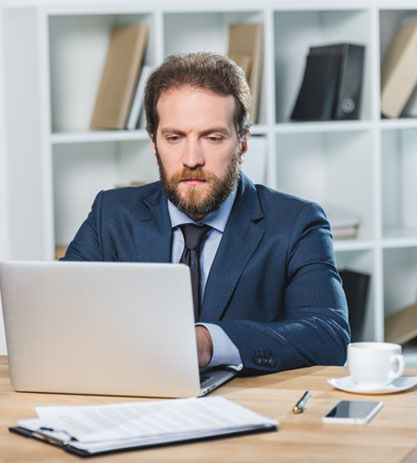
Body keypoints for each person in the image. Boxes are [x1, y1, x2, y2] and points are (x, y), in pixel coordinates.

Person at [62, 52, 350, 373]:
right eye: (174, 138)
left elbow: (329, 335)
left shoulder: (297, 222)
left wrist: (209, 343)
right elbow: (59, 312)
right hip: (132, 400)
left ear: (242, 144)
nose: (192, 159)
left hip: (247, 409)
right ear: (154, 144)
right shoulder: (110, 213)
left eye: (212, 138)